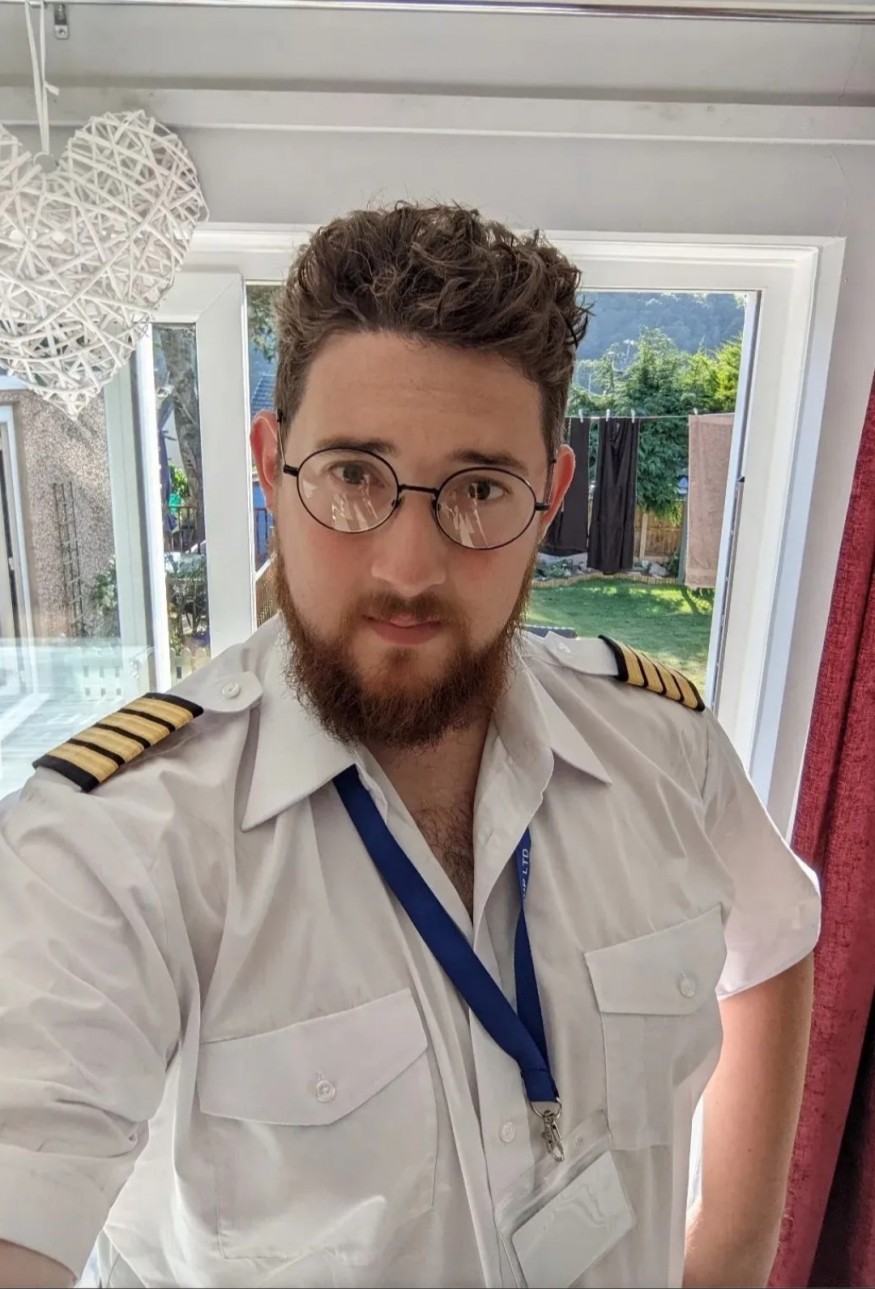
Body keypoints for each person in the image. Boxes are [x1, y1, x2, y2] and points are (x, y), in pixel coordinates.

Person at [0, 203, 818, 1289]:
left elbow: (772, 946)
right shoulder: (109, 848)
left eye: (479, 490)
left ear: (549, 498)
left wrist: (731, 1256)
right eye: (352, 475)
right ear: (269, 464)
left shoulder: (668, 749)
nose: (406, 568)